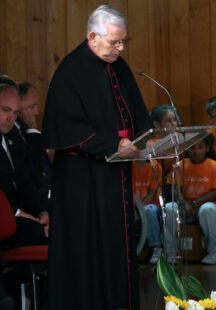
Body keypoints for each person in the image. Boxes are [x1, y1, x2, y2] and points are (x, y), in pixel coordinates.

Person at [42, 5, 153, 309]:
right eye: (114, 42)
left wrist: (145, 137)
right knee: (86, 251)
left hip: (116, 178)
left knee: (117, 249)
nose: (120, 48)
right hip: (82, 183)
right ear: (92, 36)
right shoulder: (70, 70)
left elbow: (137, 111)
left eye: (123, 42)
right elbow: (66, 126)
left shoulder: (118, 65)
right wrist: (113, 145)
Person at [0, 83, 49, 251]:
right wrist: (22, 215)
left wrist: (41, 212)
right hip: (5, 218)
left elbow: (24, 181)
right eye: (6, 110)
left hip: (18, 214)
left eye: (15, 112)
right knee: (39, 231)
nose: (11, 118)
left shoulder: (11, 135)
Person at [165, 135, 216, 264]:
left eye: (200, 147)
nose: (195, 151)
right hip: (185, 208)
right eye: (192, 147)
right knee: (170, 207)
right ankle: (171, 253)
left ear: (207, 148)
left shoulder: (214, 166)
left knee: (207, 209)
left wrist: (195, 204)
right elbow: (175, 189)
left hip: (204, 206)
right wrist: (184, 203)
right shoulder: (180, 165)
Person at [139, 105, 177, 264]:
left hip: (171, 188)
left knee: (171, 209)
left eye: (175, 120)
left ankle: (171, 251)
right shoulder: (149, 144)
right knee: (151, 210)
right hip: (154, 193)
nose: (174, 124)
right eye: (169, 121)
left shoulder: (178, 140)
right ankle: (156, 248)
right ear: (156, 125)